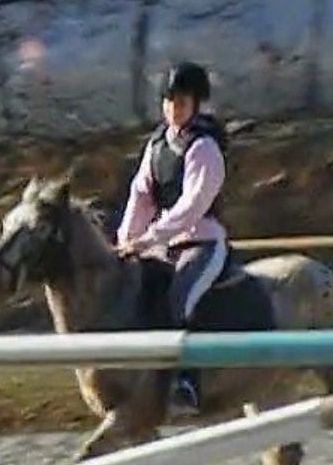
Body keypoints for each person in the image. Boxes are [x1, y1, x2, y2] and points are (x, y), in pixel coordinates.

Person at [116, 61, 228, 415]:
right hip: (163, 245)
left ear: (196, 104)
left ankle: (187, 382)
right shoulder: (156, 147)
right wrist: (126, 240)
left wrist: (148, 239)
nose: (173, 109)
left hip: (202, 244)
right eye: (168, 101)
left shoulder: (204, 148)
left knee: (179, 299)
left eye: (181, 102)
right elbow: (141, 196)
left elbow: (191, 206)